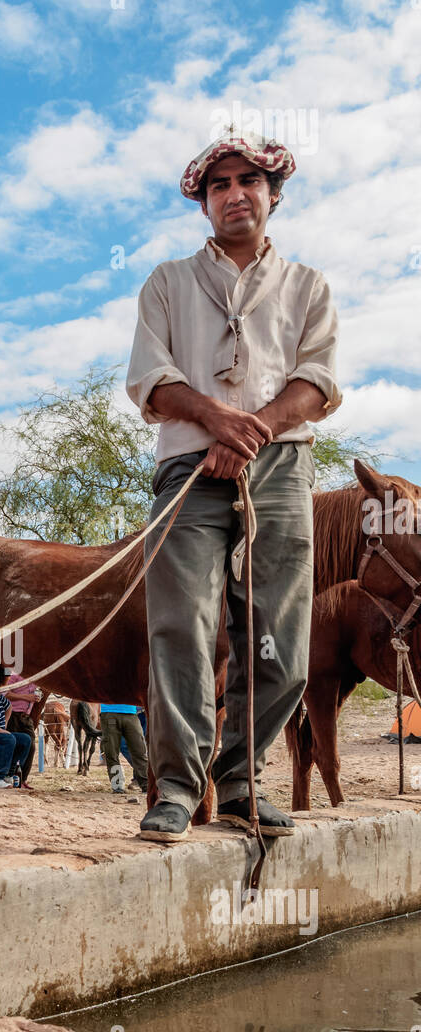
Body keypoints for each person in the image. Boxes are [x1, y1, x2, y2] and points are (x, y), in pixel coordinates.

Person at [126, 128, 341, 843]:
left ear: (272, 195)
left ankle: (243, 780)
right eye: (218, 185)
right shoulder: (166, 282)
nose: (234, 194)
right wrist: (218, 421)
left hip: (281, 468)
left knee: (280, 632)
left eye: (248, 181)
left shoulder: (309, 287)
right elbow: (149, 379)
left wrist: (251, 433)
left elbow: (317, 381)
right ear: (205, 204)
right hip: (187, 467)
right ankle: (179, 790)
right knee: (180, 624)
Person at [100, 702, 148, 795]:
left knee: (140, 751)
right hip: (109, 712)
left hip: (131, 713)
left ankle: (146, 784)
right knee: (111, 752)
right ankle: (117, 786)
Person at [5, 670, 42, 789]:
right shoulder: (15, 674)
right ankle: (9, 776)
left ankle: (22, 778)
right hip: (13, 714)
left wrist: (36, 698)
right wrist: (26, 697)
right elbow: (5, 693)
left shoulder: (36, 677)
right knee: (13, 745)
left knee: (31, 746)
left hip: (26, 716)